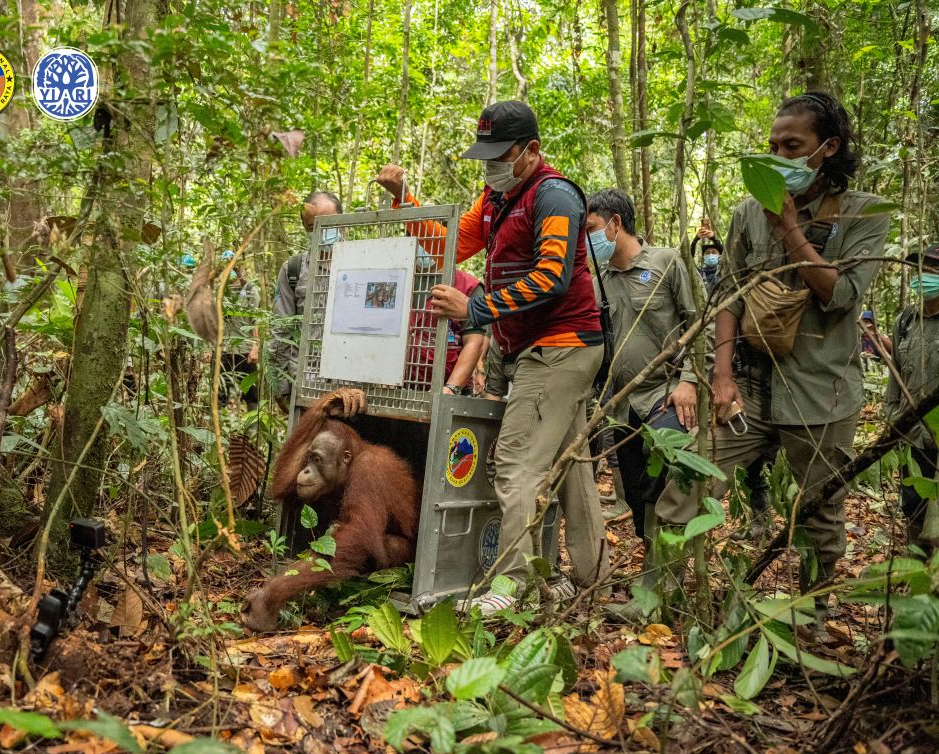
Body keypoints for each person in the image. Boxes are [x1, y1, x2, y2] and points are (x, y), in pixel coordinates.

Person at [653, 91, 891, 627]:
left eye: (792, 146)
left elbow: (841, 295)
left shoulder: (863, 213)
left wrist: (788, 226)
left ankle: (811, 614)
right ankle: (660, 599)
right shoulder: (745, 213)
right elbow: (728, 297)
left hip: (821, 392)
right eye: (771, 145)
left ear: (828, 148)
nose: (777, 155)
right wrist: (719, 376)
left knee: (819, 510)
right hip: (749, 389)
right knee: (688, 483)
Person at [375, 100, 607, 613]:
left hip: (561, 345)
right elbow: (452, 245)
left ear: (531, 151)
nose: (491, 166)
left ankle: (514, 587)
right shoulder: (498, 199)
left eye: (500, 156)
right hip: (535, 345)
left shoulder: (554, 196)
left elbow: (552, 277)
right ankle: (594, 582)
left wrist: (476, 307)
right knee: (572, 468)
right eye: (486, 158)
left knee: (515, 463)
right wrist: (404, 201)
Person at [584, 188, 704, 559]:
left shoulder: (667, 263)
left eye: (590, 228)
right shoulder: (597, 280)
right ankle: (655, 570)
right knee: (636, 495)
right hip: (621, 404)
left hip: (665, 393)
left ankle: (669, 575)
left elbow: (702, 323)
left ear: (615, 224)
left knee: (664, 480)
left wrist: (690, 380)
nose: (585, 238)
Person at [887, 243, 939, 556]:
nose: (926, 276)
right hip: (913, 434)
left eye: (934, 269)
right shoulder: (905, 319)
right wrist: (892, 416)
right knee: (913, 506)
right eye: (923, 269)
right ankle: (918, 569)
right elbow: (895, 372)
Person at [270, 191, 343, 408]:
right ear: (305, 228)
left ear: (343, 221)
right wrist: (280, 387)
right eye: (313, 227)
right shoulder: (293, 270)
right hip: (306, 381)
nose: (321, 232)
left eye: (328, 225)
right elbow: (280, 329)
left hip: (351, 381)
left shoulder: (362, 261)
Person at [407, 268, 489, 394]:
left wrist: (452, 387)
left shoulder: (468, 285)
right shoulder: (402, 276)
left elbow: (474, 342)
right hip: (401, 382)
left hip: (446, 385)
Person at [218, 250, 261, 412]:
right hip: (224, 349)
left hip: (245, 349)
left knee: (251, 393)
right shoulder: (220, 292)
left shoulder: (250, 290)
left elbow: (255, 320)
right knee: (220, 392)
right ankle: (223, 429)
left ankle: (251, 431)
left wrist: (255, 347)